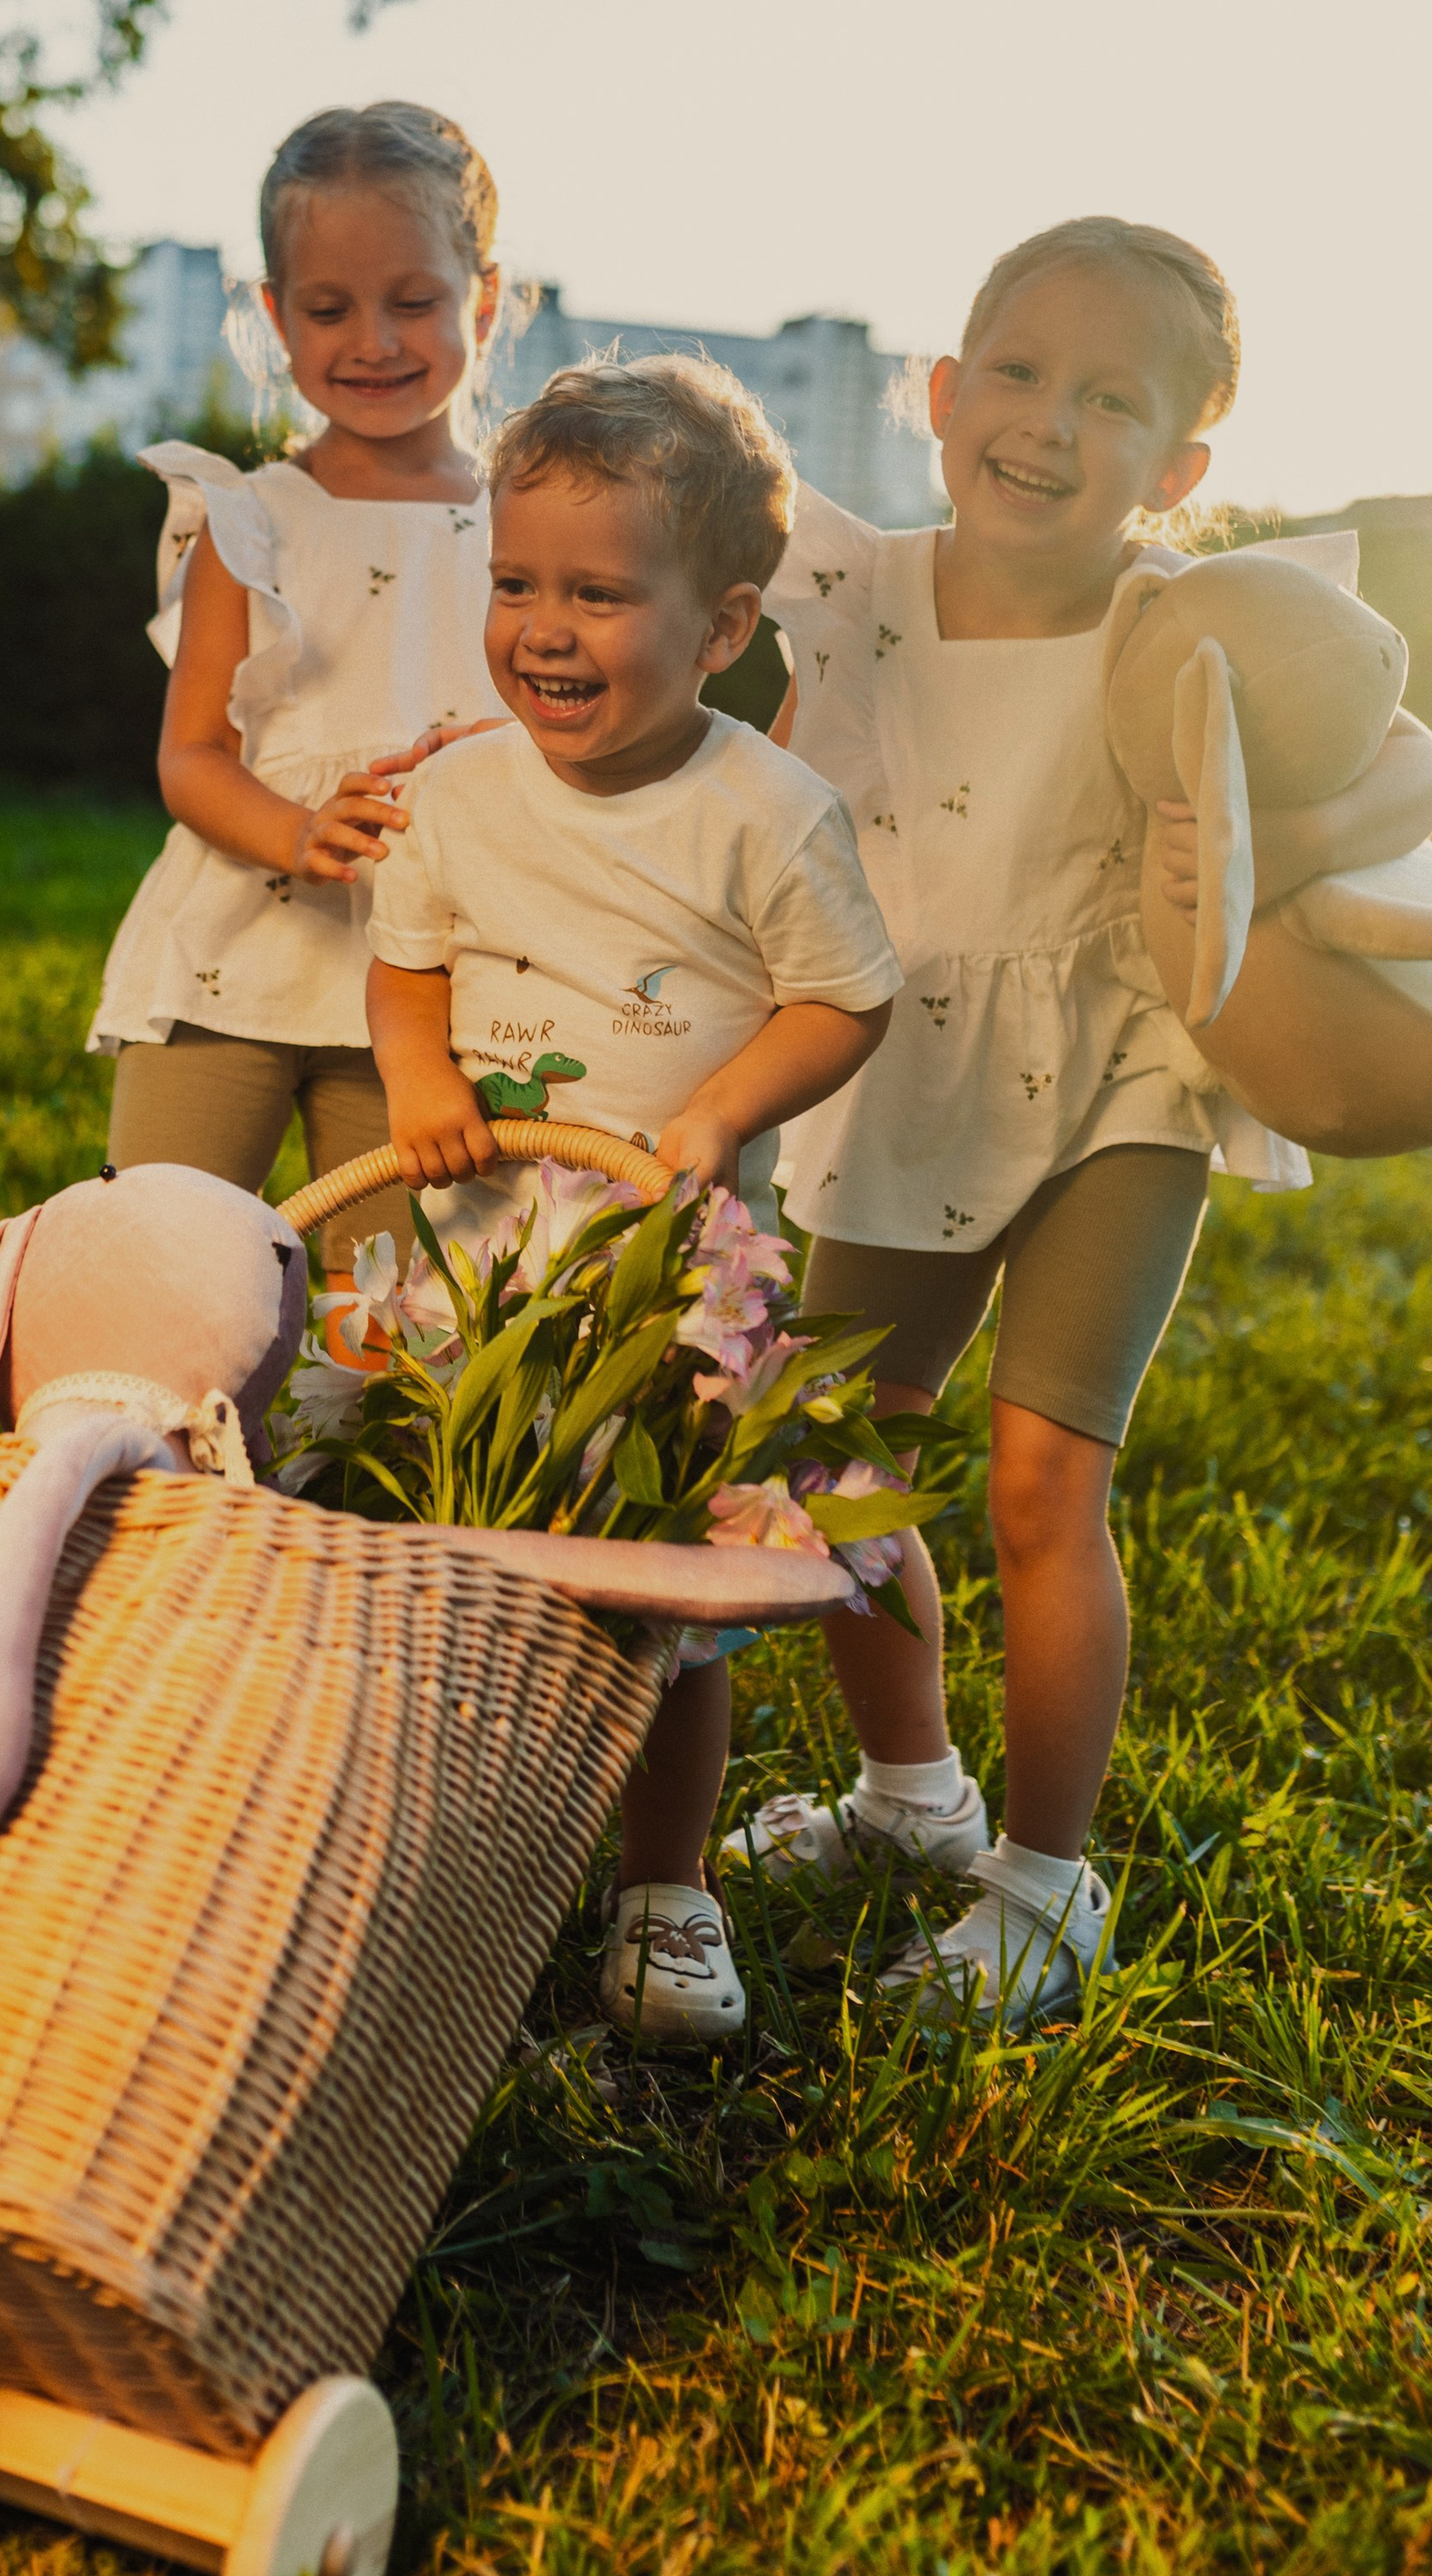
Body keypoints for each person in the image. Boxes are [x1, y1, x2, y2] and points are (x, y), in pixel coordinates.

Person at [726, 215, 1432, 2026]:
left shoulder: (1183, 624)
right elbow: (780, 822)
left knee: (1045, 1478)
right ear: (941, 391)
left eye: (1107, 401)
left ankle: (1041, 1884)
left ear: (1178, 464)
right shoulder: (860, 591)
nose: (1046, 425)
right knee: (823, 1451)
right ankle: (908, 1800)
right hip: (901, 1063)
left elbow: (1380, 761)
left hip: (1119, 1065)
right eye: (1018, 376)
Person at [364, 356, 905, 2046]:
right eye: (517, 584)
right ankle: (430, 1843)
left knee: (670, 1578)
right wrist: (422, 1088)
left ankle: (665, 1894)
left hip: (683, 1250)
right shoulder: (459, 789)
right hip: (472, 1243)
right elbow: (406, 962)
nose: (544, 628)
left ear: (723, 625)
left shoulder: (763, 807)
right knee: (421, 1531)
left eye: (600, 594)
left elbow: (847, 997)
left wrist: (725, 1113)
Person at [90, 102, 509, 1273]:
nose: (372, 339)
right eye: (328, 309)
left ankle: (319, 1464)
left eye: (412, 301)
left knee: (391, 1313)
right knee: (156, 1260)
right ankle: (153, 1452)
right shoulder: (252, 520)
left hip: (427, 989)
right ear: (275, 316)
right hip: (239, 948)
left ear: (484, 295)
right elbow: (190, 757)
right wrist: (297, 829)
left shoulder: (526, 521)